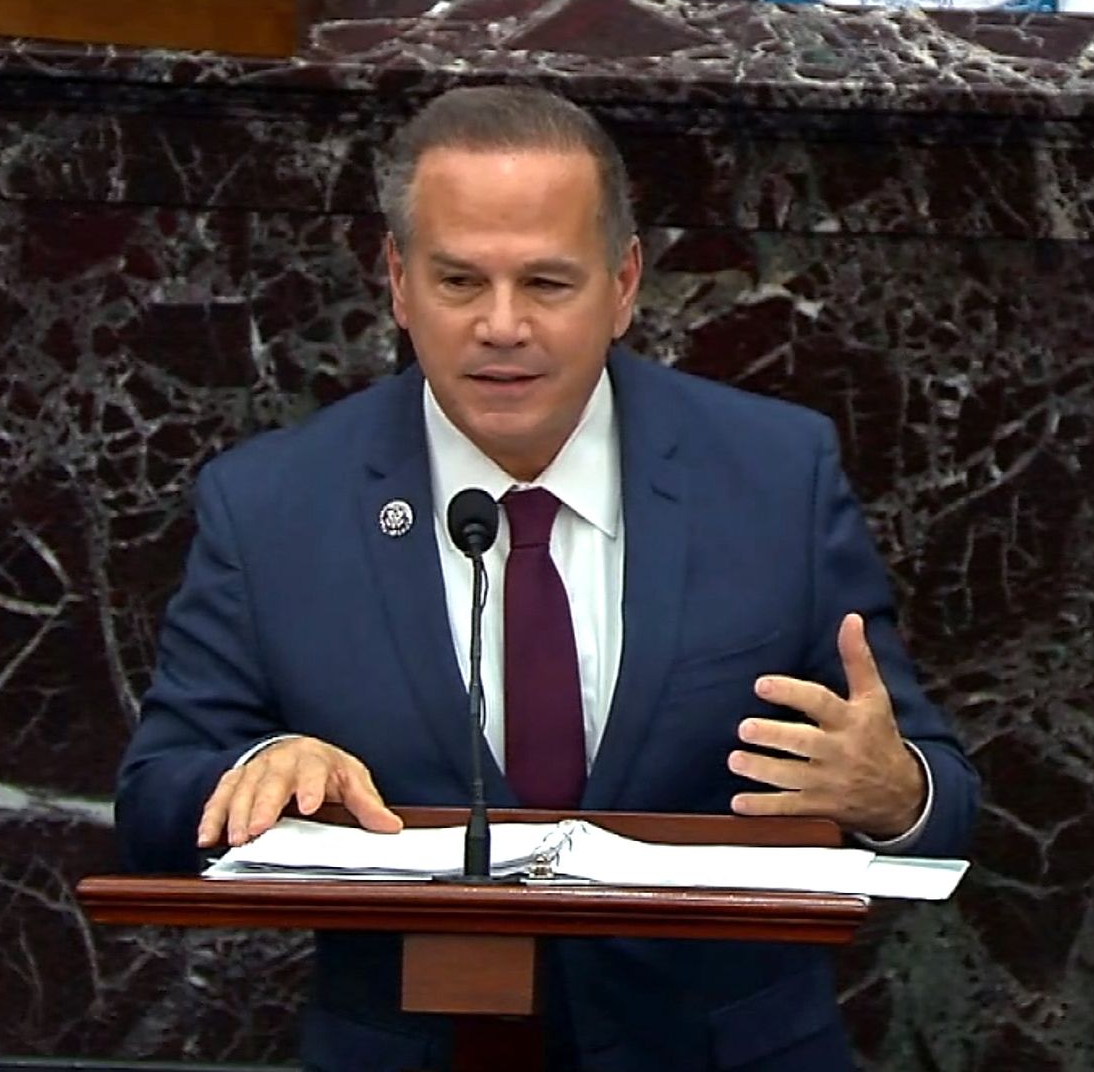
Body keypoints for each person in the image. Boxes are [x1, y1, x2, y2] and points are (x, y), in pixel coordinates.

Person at [116, 84, 978, 1072]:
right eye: (459, 282)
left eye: (547, 284)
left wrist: (891, 791)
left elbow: (944, 804)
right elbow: (151, 806)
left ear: (623, 285)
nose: (502, 326)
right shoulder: (272, 505)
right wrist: (246, 774)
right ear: (397, 282)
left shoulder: (774, 476)